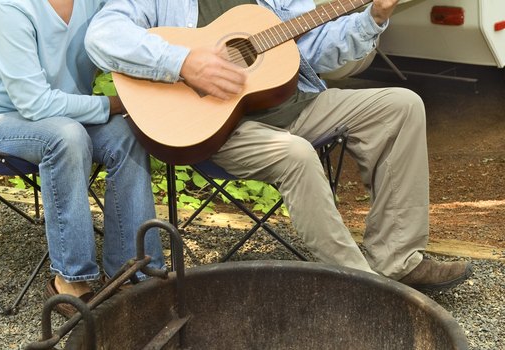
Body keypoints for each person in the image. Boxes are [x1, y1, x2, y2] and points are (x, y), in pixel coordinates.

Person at [84, 0, 472, 293]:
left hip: (296, 106)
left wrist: (373, 17)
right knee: (296, 154)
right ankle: (364, 287)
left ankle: (397, 260)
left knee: (401, 106)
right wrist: (183, 62)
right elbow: (102, 36)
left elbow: (320, 49)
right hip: (220, 129)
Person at [0, 0, 165, 317]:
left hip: (67, 115)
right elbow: (35, 105)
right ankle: (70, 278)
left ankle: (132, 270)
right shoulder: (9, 6)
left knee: (128, 134)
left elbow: (132, 28)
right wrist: (112, 104)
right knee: (66, 137)